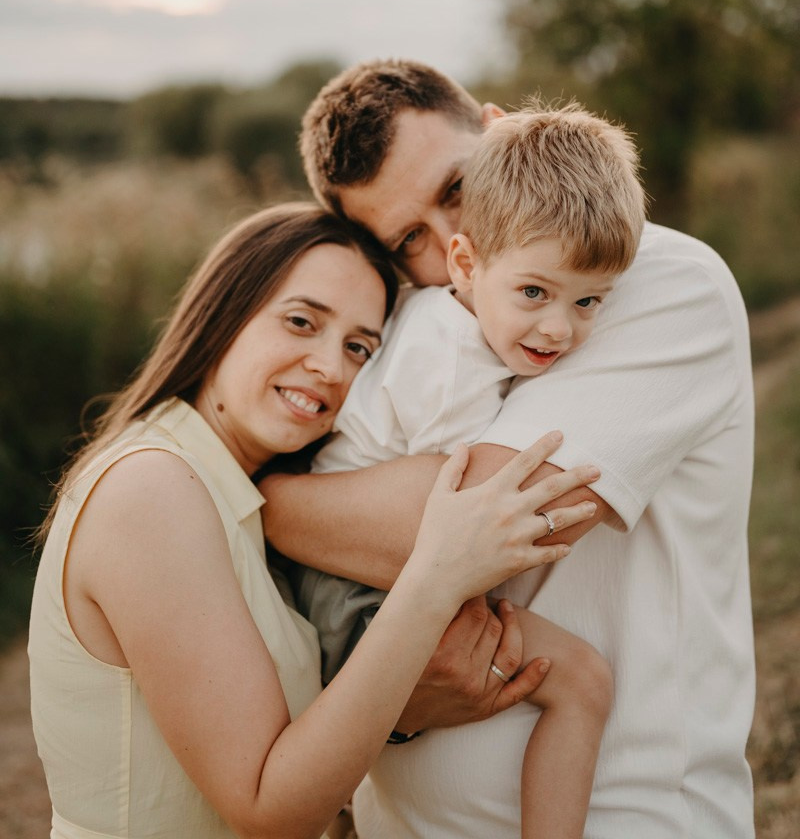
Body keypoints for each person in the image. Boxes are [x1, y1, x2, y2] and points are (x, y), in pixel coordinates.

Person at [262, 59, 756, 839]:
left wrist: (263, 502)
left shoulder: (651, 280)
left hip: (626, 817)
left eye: (456, 188)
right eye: (409, 240)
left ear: (500, 134)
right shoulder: (426, 321)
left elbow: (482, 520)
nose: (452, 245)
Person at [28, 202, 600, 839]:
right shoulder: (153, 488)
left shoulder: (244, 497)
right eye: (301, 322)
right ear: (224, 313)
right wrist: (436, 578)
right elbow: (269, 810)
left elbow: (278, 746)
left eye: (359, 348)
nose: (331, 368)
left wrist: (406, 709)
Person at [297, 102, 645, 839]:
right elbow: (467, 519)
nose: (560, 328)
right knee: (581, 682)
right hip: (352, 587)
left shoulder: (462, 314)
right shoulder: (450, 361)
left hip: (350, 570)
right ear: (466, 264)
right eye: (535, 294)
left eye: (588, 302)